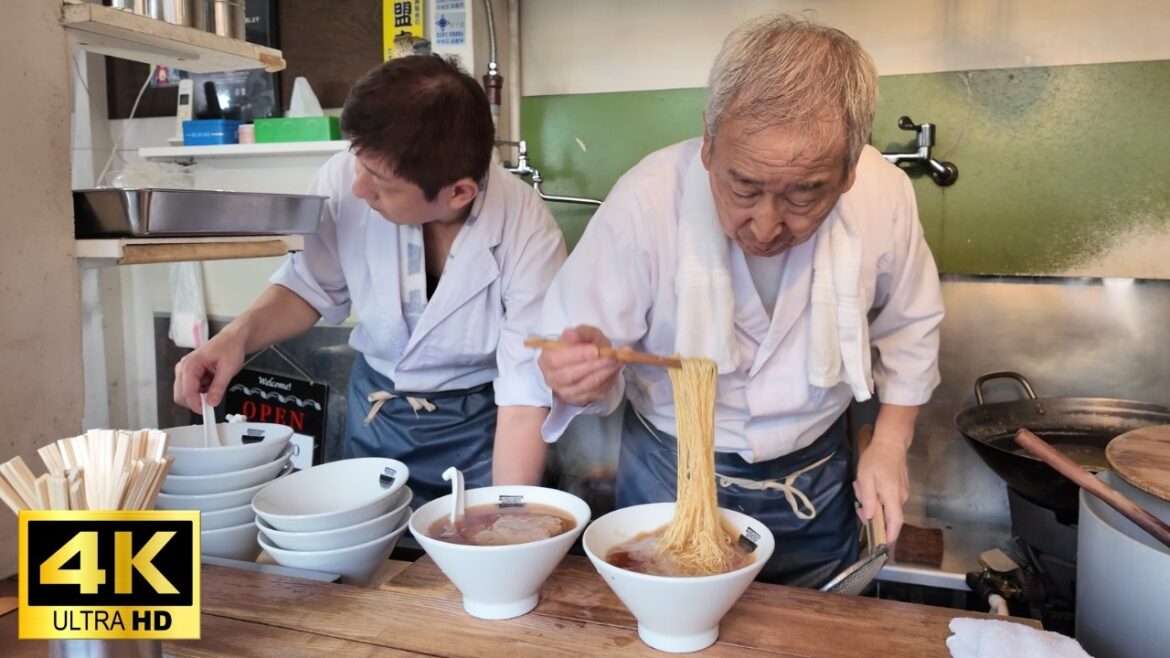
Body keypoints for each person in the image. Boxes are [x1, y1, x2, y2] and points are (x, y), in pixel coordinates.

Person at [534, 14, 944, 587]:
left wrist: (892, 443)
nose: (767, 225)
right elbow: (570, 352)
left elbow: (911, 325)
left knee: (810, 627)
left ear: (850, 169)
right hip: (669, 477)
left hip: (815, 480)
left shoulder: (884, 195)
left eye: (805, 193)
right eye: (744, 186)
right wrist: (578, 375)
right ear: (708, 143)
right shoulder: (645, 203)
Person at [174, 55, 566, 507]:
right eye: (357, 161)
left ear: (459, 192)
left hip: (481, 431)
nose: (359, 187)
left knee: (477, 535)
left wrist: (508, 517)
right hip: (377, 417)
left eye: (381, 182)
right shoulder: (348, 176)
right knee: (370, 543)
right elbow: (308, 288)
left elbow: (523, 398)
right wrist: (235, 338)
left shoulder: (528, 232)